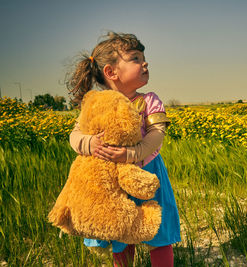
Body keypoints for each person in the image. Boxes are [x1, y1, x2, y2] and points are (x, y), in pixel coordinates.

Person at [66, 32, 180, 267]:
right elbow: (75, 135)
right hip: (112, 181)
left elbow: (157, 134)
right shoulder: (96, 103)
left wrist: (131, 154)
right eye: (136, 58)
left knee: (158, 230)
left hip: (149, 172)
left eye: (143, 57)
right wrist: (90, 143)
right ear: (111, 72)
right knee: (121, 229)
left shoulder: (149, 100)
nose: (144, 62)